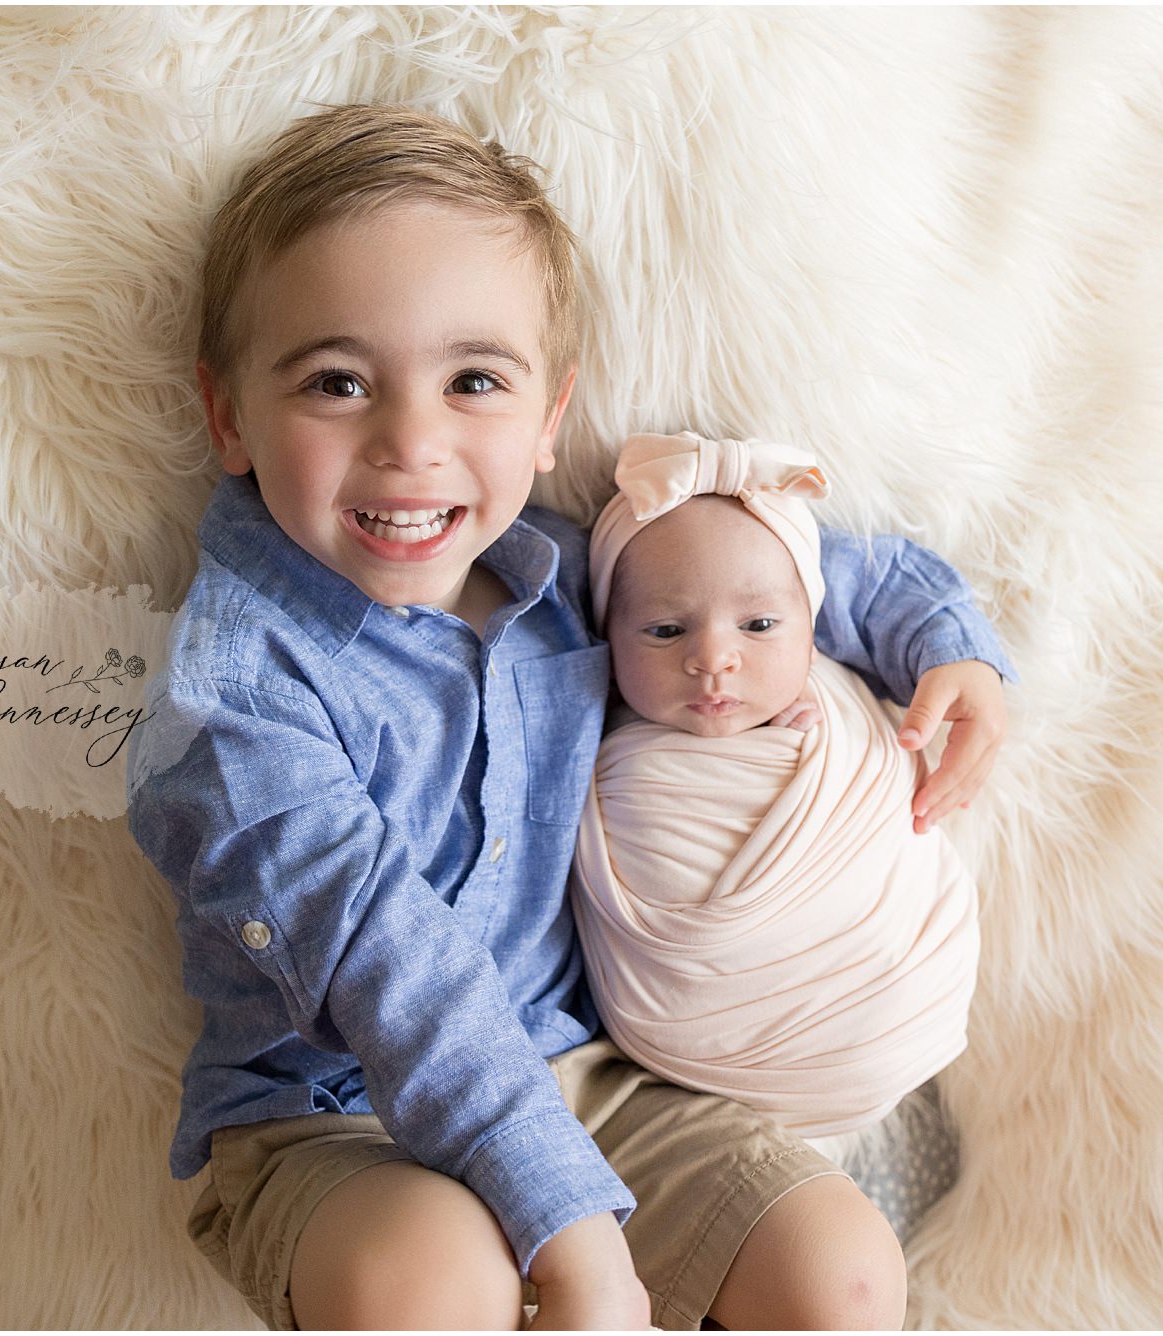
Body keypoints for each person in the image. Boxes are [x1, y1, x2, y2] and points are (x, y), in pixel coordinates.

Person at [125, 102, 1015, 1330]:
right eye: (337, 382)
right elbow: (392, 968)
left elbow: (788, 569)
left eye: (473, 381)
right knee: (432, 1281)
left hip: (578, 1074)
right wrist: (576, 1237)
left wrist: (951, 648)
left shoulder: (564, 574)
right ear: (228, 416)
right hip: (332, 1117)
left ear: (549, 419)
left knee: (842, 1269)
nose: (410, 442)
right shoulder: (235, 697)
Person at [570, 431, 980, 1211]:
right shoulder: (599, 755)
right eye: (664, 630)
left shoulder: (843, 723)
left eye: (758, 626)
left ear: (813, 629)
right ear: (607, 638)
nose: (712, 659)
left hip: (895, 999)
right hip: (694, 1079)